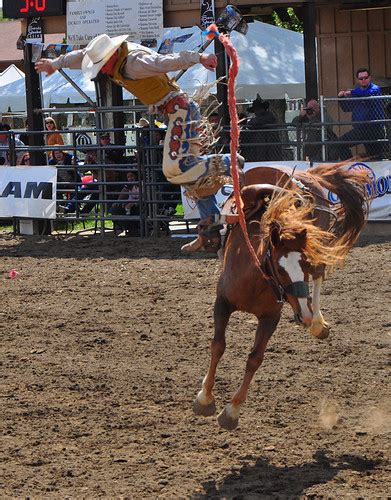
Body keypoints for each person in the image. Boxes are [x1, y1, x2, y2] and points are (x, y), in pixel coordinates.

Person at [35, 33, 244, 253]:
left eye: (102, 66)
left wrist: (199, 57)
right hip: (175, 111)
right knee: (192, 178)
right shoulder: (116, 56)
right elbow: (81, 55)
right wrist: (55, 63)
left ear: (112, 56)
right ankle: (210, 228)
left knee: (175, 169)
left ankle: (229, 161)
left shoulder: (135, 63)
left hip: (180, 111)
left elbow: (168, 61)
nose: (103, 71)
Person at [337, 68, 385, 160]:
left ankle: (378, 173)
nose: (363, 80)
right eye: (361, 78)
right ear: (357, 80)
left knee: (375, 156)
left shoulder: (375, 89)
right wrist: (340, 98)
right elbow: (347, 108)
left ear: (369, 78)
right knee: (340, 144)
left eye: (365, 77)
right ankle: (349, 168)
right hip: (360, 130)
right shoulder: (357, 92)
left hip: (374, 129)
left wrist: (351, 92)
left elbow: (368, 93)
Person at [240, 95, 282, 161]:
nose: (256, 112)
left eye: (258, 109)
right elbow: (252, 123)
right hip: (260, 147)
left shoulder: (269, 116)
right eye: (255, 110)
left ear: (263, 109)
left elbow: (254, 122)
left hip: (270, 145)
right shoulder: (259, 118)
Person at [110, 170, 140, 236]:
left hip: (140, 205)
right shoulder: (130, 186)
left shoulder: (142, 184)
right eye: (128, 177)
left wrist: (133, 203)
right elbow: (128, 196)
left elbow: (144, 197)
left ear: (136, 176)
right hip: (130, 205)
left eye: (131, 176)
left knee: (120, 210)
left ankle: (134, 229)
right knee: (114, 209)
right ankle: (131, 229)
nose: (130, 178)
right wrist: (121, 202)